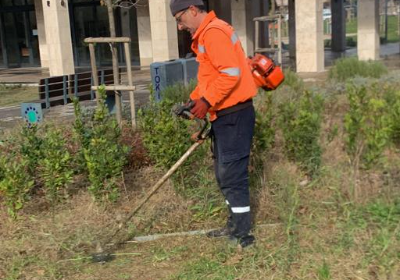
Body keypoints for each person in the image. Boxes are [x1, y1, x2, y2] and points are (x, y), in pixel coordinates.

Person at [170, 0, 258, 248]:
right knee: (223, 174)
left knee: (232, 175)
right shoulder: (207, 34)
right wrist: (194, 101)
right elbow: (211, 77)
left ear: (193, 10)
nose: (179, 26)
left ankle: (243, 237)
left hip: (235, 115)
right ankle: (234, 225)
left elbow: (231, 74)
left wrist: (206, 101)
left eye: (179, 18)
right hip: (224, 115)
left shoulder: (214, 32)